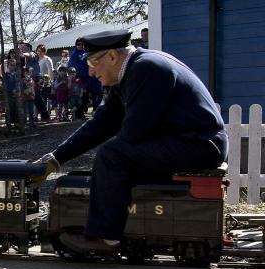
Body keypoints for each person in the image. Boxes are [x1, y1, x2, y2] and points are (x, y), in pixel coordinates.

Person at [33, 29, 228, 255]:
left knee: (112, 155)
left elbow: (135, 132)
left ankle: (105, 238)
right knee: (114, 156)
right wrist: (57, 158)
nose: (89, 71)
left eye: (92, 62)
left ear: (113, 57)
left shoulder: (147, 69)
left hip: (200, 145)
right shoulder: (131, 71)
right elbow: (102, 123)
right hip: (189, 142)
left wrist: (109, 163)